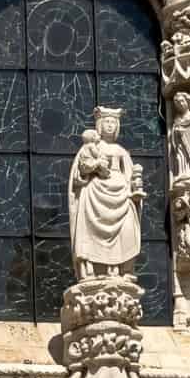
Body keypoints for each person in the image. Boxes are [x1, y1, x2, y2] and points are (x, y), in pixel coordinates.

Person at [67, 107, 142, 279]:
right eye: (107, 122)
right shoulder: (90, 148)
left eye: (113, 122)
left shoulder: (121, 151)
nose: (110, 126)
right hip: (95, 191)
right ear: (100, 125)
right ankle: (91, 269)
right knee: (91, 229)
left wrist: (135, 186)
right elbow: (79, 174)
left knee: (127, 227)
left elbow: (131, 175)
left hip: (121, 192)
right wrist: (94, 166)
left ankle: (120, 269)